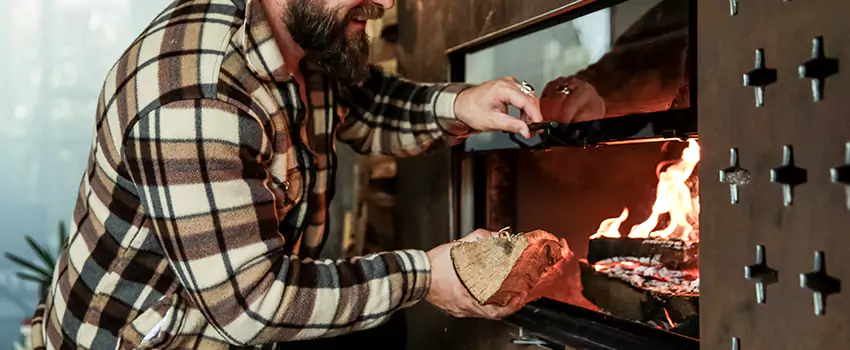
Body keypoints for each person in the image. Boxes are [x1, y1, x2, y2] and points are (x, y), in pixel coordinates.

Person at [30, 0, 548, 348]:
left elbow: (365, 106)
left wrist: (462, 103)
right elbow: (254, 304)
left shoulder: (305, 34)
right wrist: (426, 277)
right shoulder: (199, 94)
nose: (388, 1)